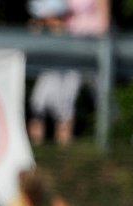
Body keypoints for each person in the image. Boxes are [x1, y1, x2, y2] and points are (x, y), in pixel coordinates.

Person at [27, 0, 111, 146]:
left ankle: (67, 156)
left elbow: (104, 22)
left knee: (92, 101)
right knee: (41, 104)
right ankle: (41, 155)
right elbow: (41, 18)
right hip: (61, 53)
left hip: (87, 51)